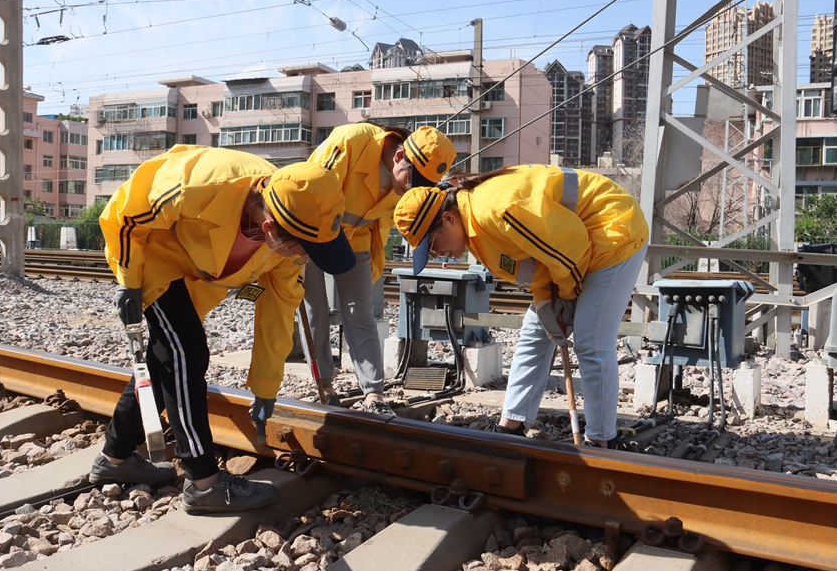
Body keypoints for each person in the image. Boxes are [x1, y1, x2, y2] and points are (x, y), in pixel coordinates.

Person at [90, 144, 355, 513]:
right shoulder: (200, 184)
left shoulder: (293, 237)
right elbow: (126, 216)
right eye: (303, 248)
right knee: (187, 352)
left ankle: (114, 459)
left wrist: (266, 387)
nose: (305, 257)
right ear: (269, 229)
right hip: (150, 252)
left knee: (164, 358)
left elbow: (278, 310)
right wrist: (129, 279)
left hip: (195, 270)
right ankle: (204, 483)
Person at [393, 164, 648, 446]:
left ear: (449, 218)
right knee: (534, 331)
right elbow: (539, 267)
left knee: (591, 340)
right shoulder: (476, 231)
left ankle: (601, 440)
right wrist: (545, 302)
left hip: (613, 229)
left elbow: (571, 251)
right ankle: (511, 425)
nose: (437, 253)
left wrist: (565, 298)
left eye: (433, 244)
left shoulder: (497, 210)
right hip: (579, 246)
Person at [304, 123, 456, 415]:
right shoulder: (351, 141)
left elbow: (382, 223)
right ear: (399, 155)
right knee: (316, 309)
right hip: (311, 232)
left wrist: (375, 261)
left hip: (356, 237)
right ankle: (323, 384)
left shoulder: (408, 182)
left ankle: (373, 392)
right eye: (412, 179)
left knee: (359, 311)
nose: (411, 189)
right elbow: (313, 194)